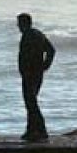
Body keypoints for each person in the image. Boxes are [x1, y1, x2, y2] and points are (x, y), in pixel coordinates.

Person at [16, 13, 56, 142]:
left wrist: (44, 65)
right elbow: (51, 50)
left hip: (30, 73)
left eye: (19, 23)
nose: (17, 26)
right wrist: (45, 65)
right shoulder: (37, 34)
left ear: (24, 23)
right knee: (31, 101)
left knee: (31, 102)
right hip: (36, 72)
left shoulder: (29, 35)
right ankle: (31, 130)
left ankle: (40, 130)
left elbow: (49, 50)